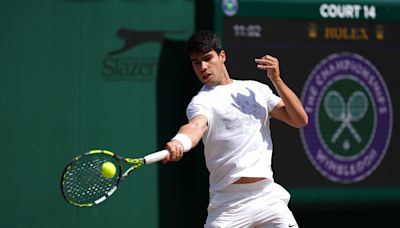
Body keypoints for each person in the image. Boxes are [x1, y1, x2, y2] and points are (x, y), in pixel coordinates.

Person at [163, 30, 308, 228]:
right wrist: (180, 141)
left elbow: (299, 119)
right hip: (228, 204)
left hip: (267, 197)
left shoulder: (256, 89)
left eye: (207, 59)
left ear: (222, 56)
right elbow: (195, 126)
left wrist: (277, 80)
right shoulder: (201, 101)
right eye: (196, 63)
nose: (203, 67)